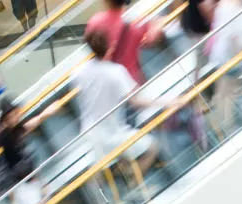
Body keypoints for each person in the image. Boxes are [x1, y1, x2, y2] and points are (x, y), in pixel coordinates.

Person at [50, 28, 164, 178]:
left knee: (103, 168)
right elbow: (135, 101)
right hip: (112, 132)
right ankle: (133, 183)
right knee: (152, 147)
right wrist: (167, 102)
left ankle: (121, 185)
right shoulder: (115, 72)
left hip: (90, 132)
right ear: (110, 47)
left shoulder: (79, 72)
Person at [84, 0, 163, 84]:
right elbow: (153, 36)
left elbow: (89, 44)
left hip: (108, 79)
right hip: (131, 78)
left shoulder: (95, 22)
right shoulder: (136, 22)